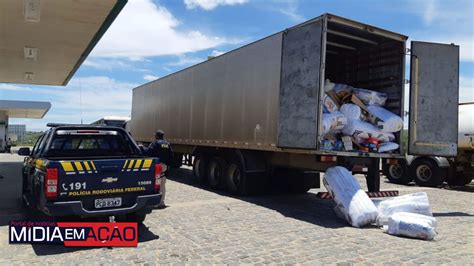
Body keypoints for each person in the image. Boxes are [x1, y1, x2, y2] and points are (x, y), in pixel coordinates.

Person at [146, 130, 173, 208]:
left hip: (156, 166)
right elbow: (171, 156)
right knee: (162, 184)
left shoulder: (155, 143)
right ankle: (161, 202)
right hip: (164, 166)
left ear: (156, 136)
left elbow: (148, 153)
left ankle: (155, 202)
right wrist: (168, 166)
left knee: (156, 183)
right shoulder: (167, 144)